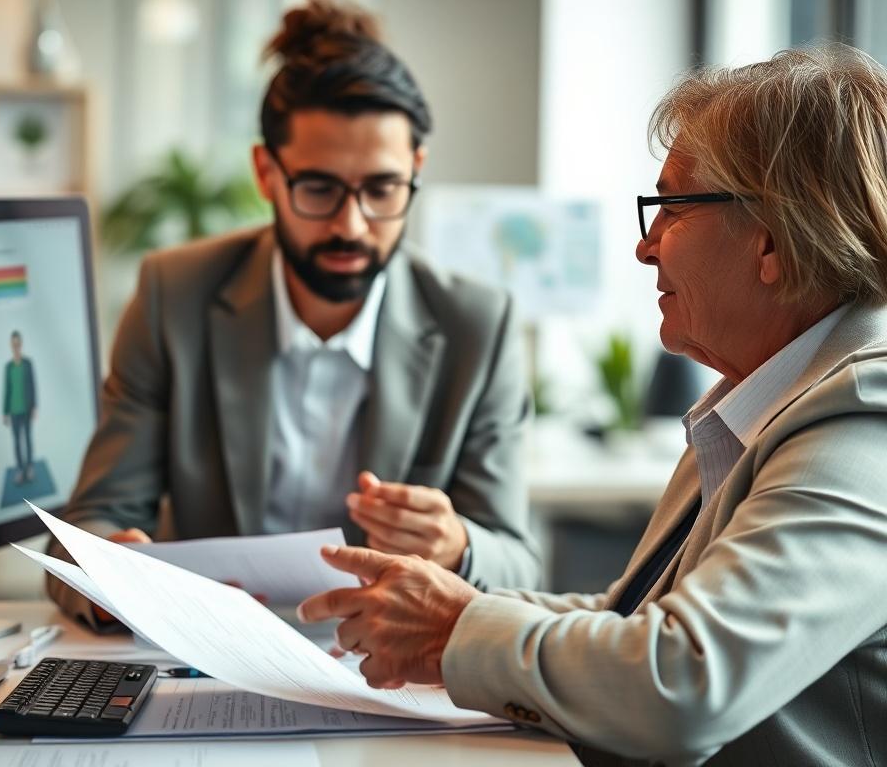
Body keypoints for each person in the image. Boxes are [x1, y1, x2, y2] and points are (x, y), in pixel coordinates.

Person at [299, 44, 887, 766]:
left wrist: (455, 627)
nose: (645, 248)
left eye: (670, 208)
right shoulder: (757, 402)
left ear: (773, 240)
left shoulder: (865, 421)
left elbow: (684, 685)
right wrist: (444, 618)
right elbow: (629, 624)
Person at [48, 0, 541, 628]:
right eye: (319, 188)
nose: (351, 225)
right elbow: (79, 533)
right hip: (215, 659)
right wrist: (112, 572)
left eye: (382, 190)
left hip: (392, 665)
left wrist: (459, 547)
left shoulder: (478, 325)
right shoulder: (175, 296)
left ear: (416, 170)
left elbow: (522, 565)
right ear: (266, 173)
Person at [3, 330, 37, 484]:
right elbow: (7, 390)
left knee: (28, 439)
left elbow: (33, 385)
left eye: (18, 343)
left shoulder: (28, 364)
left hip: (27, 409)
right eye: (13, 344)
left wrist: (35, 406)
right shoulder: (8, 367)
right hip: (14, 410)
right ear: (11, 345)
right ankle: (19, 469)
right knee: (16, 441)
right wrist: (5, 412)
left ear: (21, 344)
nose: (16, 346)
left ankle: (29, 468)